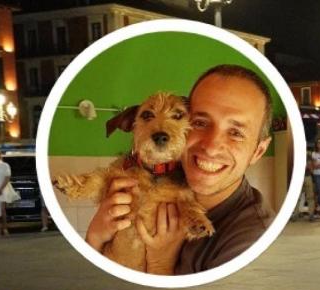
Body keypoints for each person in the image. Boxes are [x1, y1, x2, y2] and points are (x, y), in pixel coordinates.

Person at [86, 64, 274, 274]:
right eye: (200, 123)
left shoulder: (249, 241)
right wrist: (95, 237)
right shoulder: (157, 181)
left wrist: (161, 263)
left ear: (258, 152)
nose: (211, 147)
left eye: (236, 133)